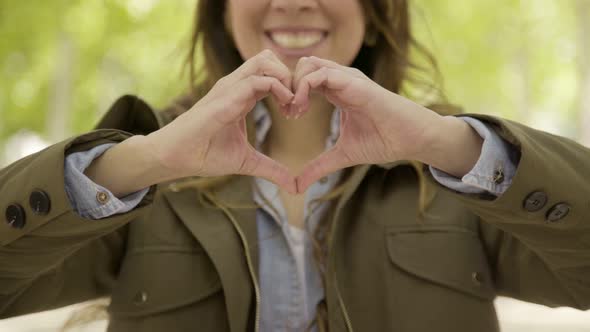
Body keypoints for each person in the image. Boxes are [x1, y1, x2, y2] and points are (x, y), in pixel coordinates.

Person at [1, 0, 589, 331]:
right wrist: (146, 159)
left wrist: (450, 145)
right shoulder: (142, 163)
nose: (294, 1)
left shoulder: (453, 162)